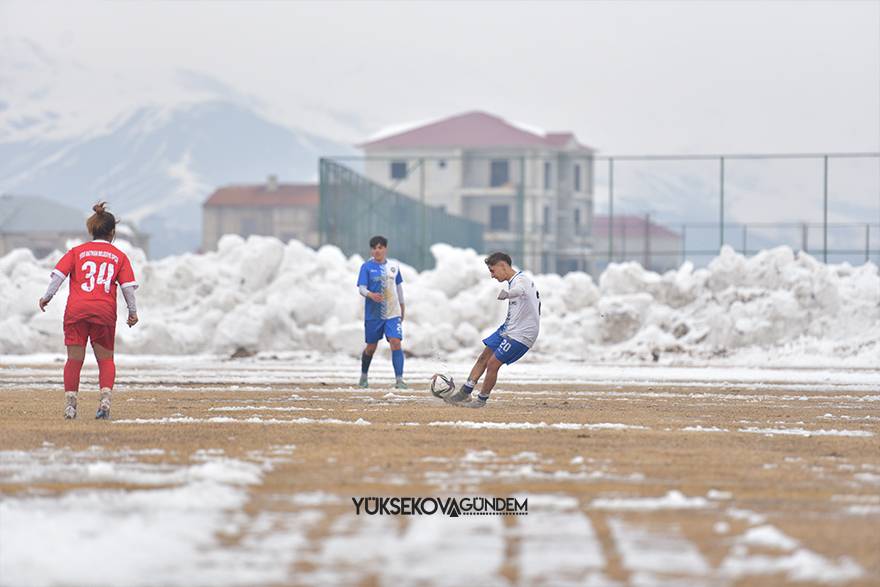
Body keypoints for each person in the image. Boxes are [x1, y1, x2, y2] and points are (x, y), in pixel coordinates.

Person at [38, 202, 139, 420]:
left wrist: (46, 297)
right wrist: (132, 312)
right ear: (112, 232)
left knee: (74, 359)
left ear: (92, 230)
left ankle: (71, 406)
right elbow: (128, 287)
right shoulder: (119, 257)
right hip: (104, 312)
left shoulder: (77, 252)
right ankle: (104, 402)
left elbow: (58, 277)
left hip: (77, 311)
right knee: (106, 360)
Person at [444, 252, 540, 408]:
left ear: (503, 265)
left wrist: (508, 294)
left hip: (522, 334)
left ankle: (481, 400)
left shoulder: (521, 280)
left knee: (493, 363)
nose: (492, 275)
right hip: (508, 328)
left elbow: (520, 290)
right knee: (484, 356)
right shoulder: (514, 280)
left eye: (492, 270)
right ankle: (465, 392)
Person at [356, 235, 407, 389]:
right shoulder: (366, 267)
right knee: (371, 347)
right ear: (371, 250)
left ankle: (399, 380)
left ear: (385, 249)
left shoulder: (393, 267)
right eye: (374, 248)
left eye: (380, 247)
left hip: (392, 313)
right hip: (373, 315)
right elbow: (361, 288)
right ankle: (364, 376)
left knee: (396, 342)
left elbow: (399, 289)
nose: (377, 251)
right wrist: (371, 294)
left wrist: (402, 308)